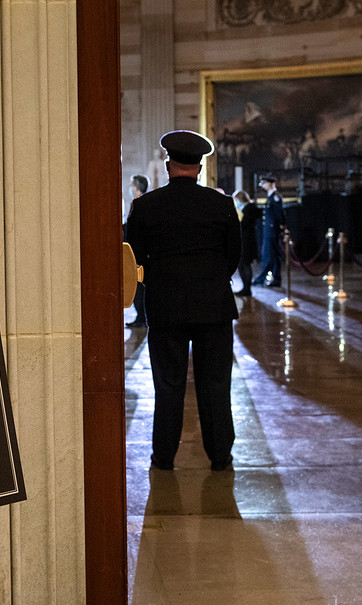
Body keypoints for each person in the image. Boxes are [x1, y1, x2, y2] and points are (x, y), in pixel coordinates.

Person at [125, 130, 242, 471]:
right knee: (217, 384)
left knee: (168, 385)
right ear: (200, 168)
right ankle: (220, 456)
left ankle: (163, 457)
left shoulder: (145, 206)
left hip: (166, 307)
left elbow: (135, 259)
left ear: (167, 164)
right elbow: (233, 256)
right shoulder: (222, 205)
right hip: (214, 308)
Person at [124, 174, 149, 327]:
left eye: (132, 185)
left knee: (138, 287)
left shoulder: (139, 203)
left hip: (138, 252)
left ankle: (141, 317)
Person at [253, 174, 284, 287]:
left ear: (270, 184)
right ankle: (274, 278)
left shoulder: (275, 196)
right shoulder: (271, 196)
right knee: (272, 255)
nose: (263, 186)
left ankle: (265, 278)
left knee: (270, 255)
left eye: (264, 183)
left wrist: (281, 228)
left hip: (272, 231)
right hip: (269, 231)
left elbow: (279, 214)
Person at [232, 189, 259, 297]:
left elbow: (244, 225)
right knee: (243, 264)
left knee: (245, 264)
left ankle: (247, 289)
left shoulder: (249, 209)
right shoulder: (248, 208)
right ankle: (246, 288)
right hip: (247, 240)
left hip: (247, 241)